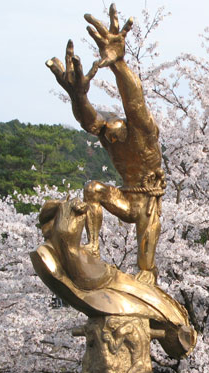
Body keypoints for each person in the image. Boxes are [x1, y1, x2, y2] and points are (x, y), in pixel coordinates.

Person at [46, 5, 164, 285]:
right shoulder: (107, 134)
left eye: (114, 133)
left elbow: (135, 102)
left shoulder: (143, 134)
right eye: (107, 135)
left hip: (147, 204)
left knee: (146, 267)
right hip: (125, 197)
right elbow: (89, 121)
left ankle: (148, 276)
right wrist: (78, 96)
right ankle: (93, 245)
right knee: (93, 189)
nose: (110, 139)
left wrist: (118, 63)